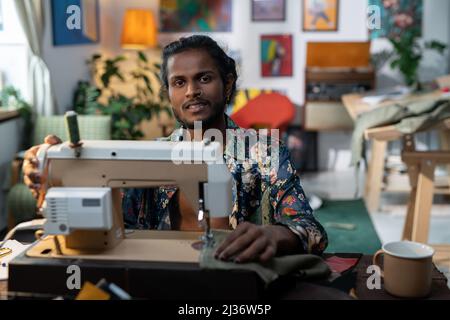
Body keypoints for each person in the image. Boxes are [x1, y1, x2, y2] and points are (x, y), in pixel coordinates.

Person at [23, 35, 327, 263]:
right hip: (160, 277)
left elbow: (312, 231)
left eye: (204, 78)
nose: (192, 91)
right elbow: (113, 223)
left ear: (228, 83)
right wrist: (55, 172)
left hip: (237, 281)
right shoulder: (149, 159)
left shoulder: (265, 153)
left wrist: (276, 234)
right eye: (179, 82)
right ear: (168, 94)